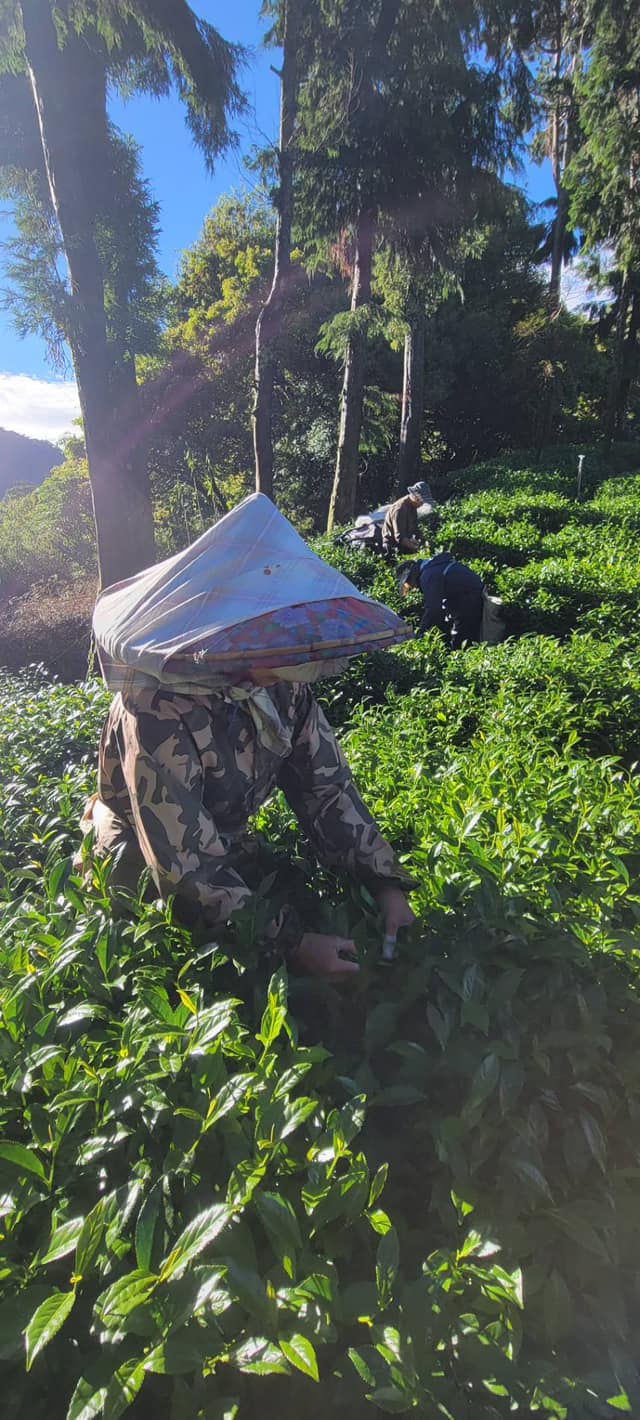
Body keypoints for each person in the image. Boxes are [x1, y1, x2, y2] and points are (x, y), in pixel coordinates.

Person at [77, 494, 416, 980]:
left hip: (222, 841)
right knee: (201, 967)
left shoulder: (284, 688)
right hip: (140, 856)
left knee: (294, 892)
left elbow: (326, 788)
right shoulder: (157, 709)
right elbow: (182, 867)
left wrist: (385, 884)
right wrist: (292, 944)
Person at [398, 552, 484, 649]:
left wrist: (421, 633)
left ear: (412, 575)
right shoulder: (433, 567)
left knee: (460, 643)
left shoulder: (428, 575)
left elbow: (434, 608)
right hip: (471, 597)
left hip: (469, 600)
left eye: (409, 583)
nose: (413, 587)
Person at [382, 482, 432, 560]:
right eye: (421, 502)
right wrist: (419, 549)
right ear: (416, 498)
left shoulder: (413, 507)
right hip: (393, 549)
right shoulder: (400, 509)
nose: (422, 505)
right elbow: (400, 538)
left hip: (405, 546)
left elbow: (415, 530)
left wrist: (424, 542)